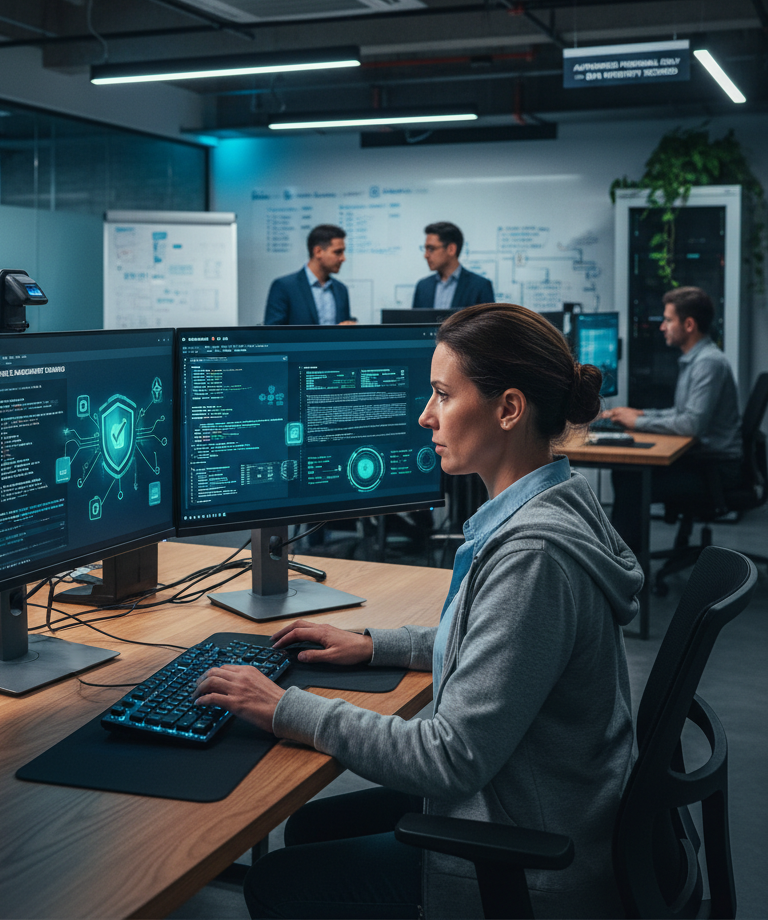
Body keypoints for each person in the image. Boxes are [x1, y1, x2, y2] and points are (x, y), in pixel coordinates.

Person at [195, 303, 643, 920]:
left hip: (531, 863)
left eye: (440, 394)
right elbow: (499, 641)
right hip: (543, 802)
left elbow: (449, 758)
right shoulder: (557, 505)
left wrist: (285, 709)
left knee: (277, 880)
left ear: (509, 408)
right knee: (310, 827)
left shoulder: (533, 556)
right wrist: (378, 644)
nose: (423, 415)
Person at [603, 286, 742, 574]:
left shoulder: (708, 364)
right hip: (704, 460)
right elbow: (683, 414)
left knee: (631, 480)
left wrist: (638, 423)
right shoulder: (697, 360)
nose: (663, 327)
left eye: (668, 320)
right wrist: (642, 414)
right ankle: (625, 560)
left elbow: (690, 424)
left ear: (688, 324)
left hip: (715, 470)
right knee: (627, 474)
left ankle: (620, 570)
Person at [264, 224, 356, 325]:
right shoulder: (284, 287)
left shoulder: (341, 289)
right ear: (318, 252)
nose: (343, 258)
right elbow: (273, 334)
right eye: (338, 252)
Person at [412, 221, 494, 310]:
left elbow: (489, 323)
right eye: (425, 249)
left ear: (451, 249)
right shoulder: (423, 286)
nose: (426, 255)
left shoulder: (480, 286)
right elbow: (415, 323)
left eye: (431, 249)